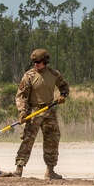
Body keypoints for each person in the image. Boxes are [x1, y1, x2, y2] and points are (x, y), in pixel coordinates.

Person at [12, 48, 70, 179]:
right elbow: (21, 96)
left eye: (38, 62)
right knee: (27, 140)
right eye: (34, 62)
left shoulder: (54, 74)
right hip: (33, 111)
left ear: (45, 61)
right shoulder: (29, 76)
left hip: (49, 110)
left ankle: (50, 170)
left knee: (52, 140)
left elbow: (64, 86)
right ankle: (19, 169)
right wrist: (22, 112)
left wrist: (63, 95)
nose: (36, 64)